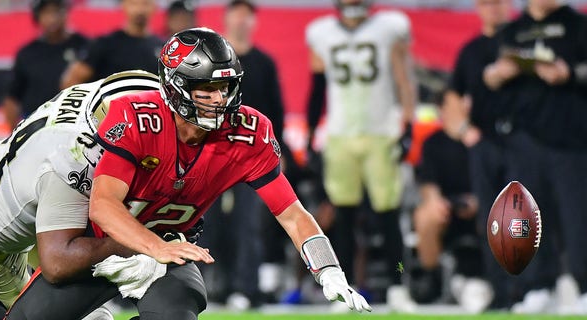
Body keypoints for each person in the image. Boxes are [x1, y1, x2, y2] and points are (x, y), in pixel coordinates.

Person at [0, 28, 371, 319]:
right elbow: (103, 205)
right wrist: (153, 247)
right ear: (175, 87)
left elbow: (292, 214)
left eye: (224, 87)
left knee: (178, 309)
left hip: (172, 252)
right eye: (206, 88)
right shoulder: (137, 115)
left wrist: (327, 269)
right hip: (100, 249)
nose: (219, 99)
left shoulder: (248, 133)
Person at [0, 70, 164, 320]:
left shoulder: (104, 99)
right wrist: (144, 244)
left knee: (92, 315)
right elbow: (58, 262)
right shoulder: (73, 161)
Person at [305, 0, 416, 310]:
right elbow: (317, 85)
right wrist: (314, 130)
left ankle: (398, 283)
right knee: (343, 217)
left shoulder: (388, 28)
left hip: (381, 131)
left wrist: (408, 126)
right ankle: (347, 286)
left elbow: (403, 78)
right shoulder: (322, 33)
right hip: (341, 134)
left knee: (389, 215)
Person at [483, 0, 587, 313]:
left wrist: (568, 73)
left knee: (577, 216)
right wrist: (499, 73)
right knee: (526, 218)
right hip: (525, 138)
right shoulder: (513, 31)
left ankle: (583, 287)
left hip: (571, 137)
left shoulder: (577, 25)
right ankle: (538, 286)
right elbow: (488, 77)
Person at [198, 0, 294, 309]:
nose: (241, 22)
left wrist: (278, 153)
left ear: (254, 23)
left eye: (246, 17)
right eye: (236, 16)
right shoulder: (209, 62)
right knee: (201, 220)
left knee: (248, 223)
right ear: (226, 20)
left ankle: (245, 289)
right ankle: (201, 286)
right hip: (209, 152)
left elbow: (276, 114)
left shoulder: (264, 63)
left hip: (250, 157)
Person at [441, 0, 515, 309]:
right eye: (487, 3)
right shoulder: (470, 51)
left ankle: (534, 287)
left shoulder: (521, 39)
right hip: (485, 143)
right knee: (492, 219)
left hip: (524, 141)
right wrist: (464, 131)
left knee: (525, 215)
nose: (493, 9)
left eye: (498, 2)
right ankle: (501, 290)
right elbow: (452, 96)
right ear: (478, 7)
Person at [412, 93, 490, 312]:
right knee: (425, 216)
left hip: (482, 208)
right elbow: (428, 183)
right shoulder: (433, 143)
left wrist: (479, 200)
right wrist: (436, 201)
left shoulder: (481, 140)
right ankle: (431, 278)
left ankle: (492, 278)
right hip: (447, 209)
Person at [1, 0, 89, 128]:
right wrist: (14, 133)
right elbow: (13, 97)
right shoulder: (27, 53)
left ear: (66, 12)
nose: (52, 18)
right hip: (36, 123)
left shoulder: (84, 46)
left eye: (56, 11)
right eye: (46, 13)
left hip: (75, 122)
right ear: (37, 16)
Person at [60, 0, 162, 88]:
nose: (139, 10)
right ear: (123, 5)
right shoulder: (105, 44)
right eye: (133, 3)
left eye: (145, 4)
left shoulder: (163, 49)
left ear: (154, 7)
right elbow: (71, 81)